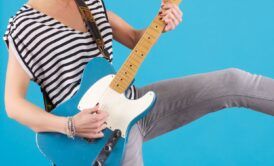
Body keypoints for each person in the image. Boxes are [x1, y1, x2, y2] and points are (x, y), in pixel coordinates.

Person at [3, 0, 274, 165]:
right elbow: (13, 104)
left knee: (233, 80)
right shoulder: (23, 25)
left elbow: (135, 38)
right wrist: (71, 125)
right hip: (95, 136)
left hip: (134, 103)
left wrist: (162, 21)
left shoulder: (90, 3)